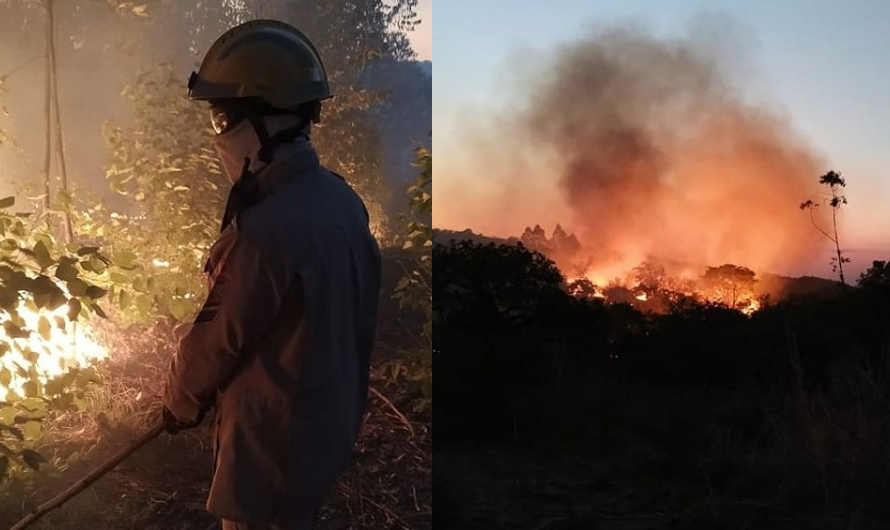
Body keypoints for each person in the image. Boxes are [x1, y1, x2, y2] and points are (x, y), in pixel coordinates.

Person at [160, 20, 382, 530]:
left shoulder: (265, 232)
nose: (217, 133)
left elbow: (216, 342)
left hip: (268, 455)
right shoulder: (343, 203)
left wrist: (178, 403)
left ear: (262, 123)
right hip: (322, 435)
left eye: (220, 116)